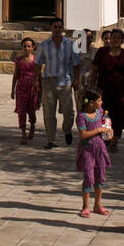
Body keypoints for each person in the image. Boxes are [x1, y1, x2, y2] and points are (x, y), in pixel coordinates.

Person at [35, 18, 79, 149]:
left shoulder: (71, 45)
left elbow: (76, 65)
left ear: (63, 29)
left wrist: (76, 80)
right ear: (51, 29)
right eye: (55, 27)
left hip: (65, 81)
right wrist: (36, 81)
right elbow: (38, 65)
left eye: (60, 27)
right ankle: (51, 139)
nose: (57, 30)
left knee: (69, 111)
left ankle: (67, 129)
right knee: (49, 112)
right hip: (48, 82)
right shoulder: (44, 45)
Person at [92, 27, 124, 151]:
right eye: (114, 37)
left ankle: (115, 140)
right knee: (104, 115)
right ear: (109, 39)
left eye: (119, 37)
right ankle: (106, 137)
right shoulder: (101, 52)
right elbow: (94, 71)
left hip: (122, 91)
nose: (116, 40)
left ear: (122, 40)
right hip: (104, 90)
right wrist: (92, 88)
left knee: (119, 116)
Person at [75, 90, 112, 217]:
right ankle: (85, 206)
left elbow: (105, 124)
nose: (102, 103)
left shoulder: (100, 112)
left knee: (100, 176)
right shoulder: (81, 116)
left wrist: (108, 131)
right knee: (89, 177)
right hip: (87, 150)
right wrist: (98, 130)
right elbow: (83, 135)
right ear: (91, 103)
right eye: (99, 101)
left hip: (100, 149)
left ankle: (97, 205)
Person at [11, 37, 40, 143]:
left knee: (32, 111)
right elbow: (16, 75)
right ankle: (23, 133)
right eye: (25, 46)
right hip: (21, 89)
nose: (27, 48)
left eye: (29, 46)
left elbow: (38, 74)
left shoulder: (36, 60)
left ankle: (32, 125)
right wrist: (12, 89)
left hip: (33, 89)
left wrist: (40, 88)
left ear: (32, 48)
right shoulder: (18, 60)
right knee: (21, 111)